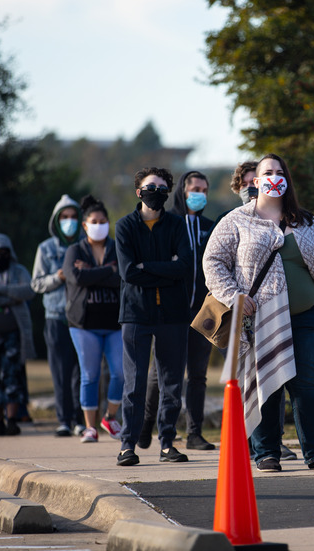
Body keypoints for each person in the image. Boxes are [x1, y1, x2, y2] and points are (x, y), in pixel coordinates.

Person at [203, 153, 314, 473]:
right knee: (267, 380)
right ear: (255, 181)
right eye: (268, 172)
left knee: (308, 384)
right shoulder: (236, 220)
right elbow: (212, 263)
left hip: (309, 316)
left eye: (280, 172)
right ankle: (267, 452)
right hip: (261, 318)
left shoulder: (307, 221)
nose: (274, 177)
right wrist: (233, 295)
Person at [115, 167, 193, 466]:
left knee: (172, 382)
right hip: (136, 314)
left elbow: (184, 266)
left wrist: (147, 266)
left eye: (163, 188)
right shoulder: (124, 227)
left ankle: (167, 443)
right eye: (151, 187)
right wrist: (164, 267)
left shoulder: (176, 224)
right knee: (134, 383)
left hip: (173, 313)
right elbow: (128, 273)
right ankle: (127, 445)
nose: (157, 192)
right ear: (139, 191)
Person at [140, 171, 217, 451]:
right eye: (195, 188)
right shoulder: (167, 223)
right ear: (182, 192)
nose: (200, 193)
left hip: (204, 313)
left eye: (205, 189)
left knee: (197, 374)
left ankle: (194, 433)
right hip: (170, 311)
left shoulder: (211, 226)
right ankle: (147, 422)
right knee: (160, 374)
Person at [64, 195, 125, 443]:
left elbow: (122, 277)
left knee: (119, 373)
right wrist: (107, 270)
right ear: (85, 225)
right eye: (93, 221)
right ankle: (90, 427)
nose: (98, 224)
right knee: (90, 375)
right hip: (83, 324)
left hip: (115, 322)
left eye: (103, 221)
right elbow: (75, 277)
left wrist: (92, 272)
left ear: (108, 223)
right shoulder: (74, 250)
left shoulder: (117, 247)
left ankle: (109, 417)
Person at [32, 195, 85, 437]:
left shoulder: (88, 246)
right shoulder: (45, 248)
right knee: (60, 372)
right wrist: (58, 277)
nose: (69, 221)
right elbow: (36, 284)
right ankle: (63, 420)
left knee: (81, 371)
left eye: (74, 217)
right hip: (55, 316)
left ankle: (79, 420)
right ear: (57, 220)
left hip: (83, 317)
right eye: (65, 217)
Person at [0, 234, 37, 436]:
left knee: (13, 377)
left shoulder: (19, 270)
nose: (0, 256)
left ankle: (12, 419)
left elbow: (28, 290)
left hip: (14, 334)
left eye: (4, 252)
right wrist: (10, 298)